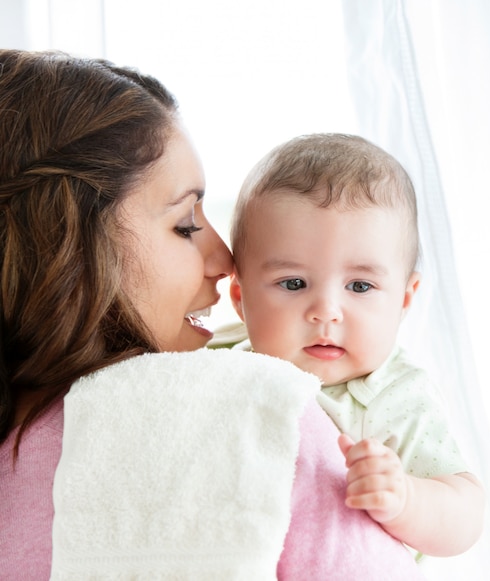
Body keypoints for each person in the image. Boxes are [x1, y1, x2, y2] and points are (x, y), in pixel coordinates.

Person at [0, 50, 424, 579]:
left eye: (361, 284)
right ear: (66, 245)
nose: (225, 261)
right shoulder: (260, 414)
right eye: (184, 224)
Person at [222, 133, 485, 557]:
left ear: (403, 299)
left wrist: (406, 500)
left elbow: (466, 513)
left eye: (359, 285)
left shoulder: (396, 396)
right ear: (240, 298)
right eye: (293, 283)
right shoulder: (223, 356)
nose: (326, 311)